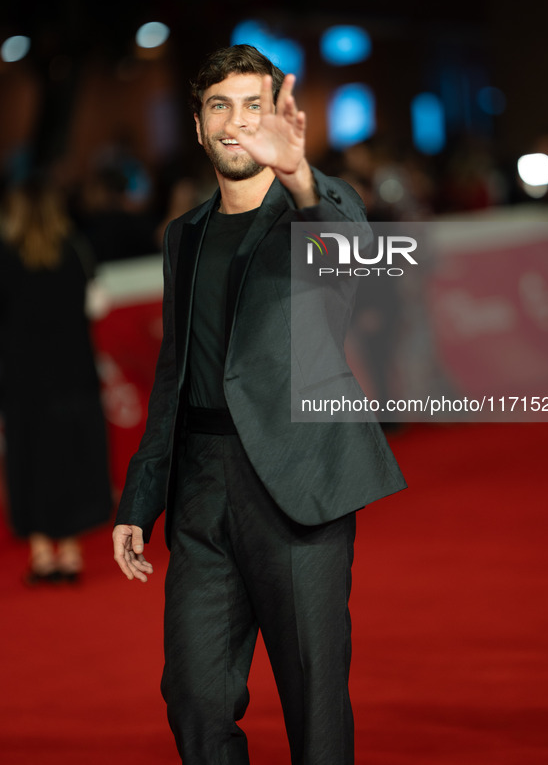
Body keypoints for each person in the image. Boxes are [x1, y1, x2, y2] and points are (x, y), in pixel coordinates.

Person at [112, 45, 407, 764]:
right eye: (220, 106)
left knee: (313, 699)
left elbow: (352, 259)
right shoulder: (183, 235)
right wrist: (138, 497)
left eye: (254, 105)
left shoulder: (319, 205)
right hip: (201, 486)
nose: (237, 122)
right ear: (198, 123)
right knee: (193, 695)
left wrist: (299, 173)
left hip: (299, 478)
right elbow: (173, 370)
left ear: (280, 115)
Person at [0, 180, 112, 583]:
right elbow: (98, 304)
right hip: (73, 374)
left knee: (32, 460)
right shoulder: (76, 251)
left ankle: (43, 552)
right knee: (72, 459)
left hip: (23, 380)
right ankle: (71, 552)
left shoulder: (5, 255)